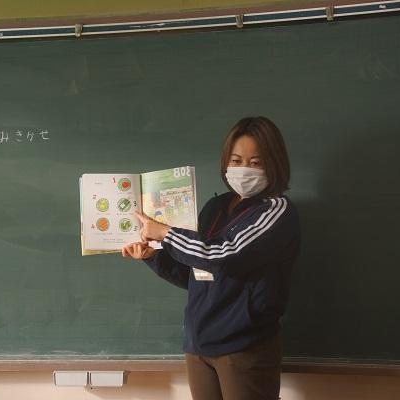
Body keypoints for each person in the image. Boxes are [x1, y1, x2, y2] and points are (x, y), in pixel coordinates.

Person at [122, 116, 300, 400]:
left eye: (255, 163)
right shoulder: (215, 207)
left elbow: (222, 255)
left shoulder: (275, 210)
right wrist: (153, 256)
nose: (243, 169)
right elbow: (195, 273)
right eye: (236, 160)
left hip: (244, 345)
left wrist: (166, 233)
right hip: (199, 344)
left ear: (274, 163)